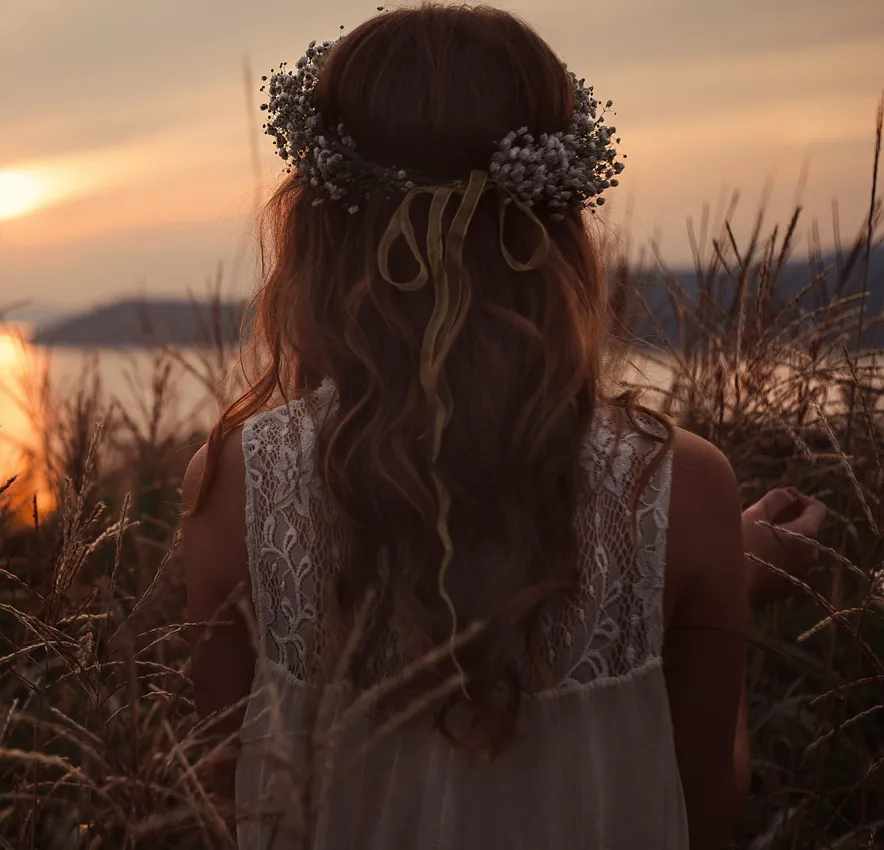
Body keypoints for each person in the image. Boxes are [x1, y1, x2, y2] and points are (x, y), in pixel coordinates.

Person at [180, 6, 829, 850]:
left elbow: (232, 799)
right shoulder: (683, 488)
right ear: (557, 230)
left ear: (318, 225)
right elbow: (705, 809)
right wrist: (723, 597)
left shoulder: (236, 482)